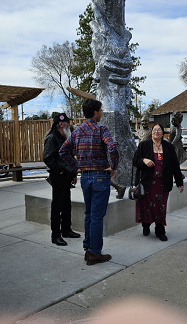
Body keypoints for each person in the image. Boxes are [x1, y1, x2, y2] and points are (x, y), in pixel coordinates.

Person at [59, 99, 119, 266]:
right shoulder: (101, 129)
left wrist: (76, 166)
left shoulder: (77, 132)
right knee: (97, 216)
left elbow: (63, 150)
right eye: (100, 110)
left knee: (89, 214)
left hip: (85, 178)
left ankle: (88, 247)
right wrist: (113, 167)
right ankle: (94, 252)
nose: (101, 113)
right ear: (95, 113)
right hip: (100, 177)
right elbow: (113, 148)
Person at [133, 123, 184, 240]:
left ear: (162, 133)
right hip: (146, 184)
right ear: (151, 132)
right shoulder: (143, 145)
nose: (156, 132)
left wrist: (179, 182)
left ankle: (160, 230)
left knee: (161, 207)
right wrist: (144, 160)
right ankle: (145, 225)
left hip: (162, 184)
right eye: (154, 129)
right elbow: (135, 160)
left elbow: (175, 165)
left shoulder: (169, 147)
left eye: (159, 130)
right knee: (146, 206)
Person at [43, 113, 81, 246]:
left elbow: (70, 157)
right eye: (67, 122)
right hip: (58, 176)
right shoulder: (52, 137)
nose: (70, 124)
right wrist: (58, 169)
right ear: (61, 123)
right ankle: (56, 235)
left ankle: (66, 230)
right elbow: (47, 157)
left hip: (67, 175)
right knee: (58, 205)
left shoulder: (65, 137)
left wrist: (73, 174)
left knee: (66, 204)